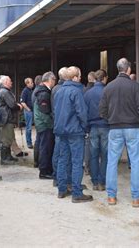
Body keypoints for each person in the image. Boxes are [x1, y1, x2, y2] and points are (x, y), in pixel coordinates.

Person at [99, 58, 139, 208]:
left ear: (118, 69)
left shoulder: (108, 87)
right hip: (133, 127)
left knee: (112, 162)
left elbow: (102, 111)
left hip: (114, 128)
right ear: (128, 70)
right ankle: (136, 197)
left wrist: (112, 119)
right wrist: (137, 121)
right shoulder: (135, 86)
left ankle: (111, 196)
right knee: (135, 162)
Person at [54, 66, 93, 202]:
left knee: (62, 160)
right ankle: (77, 193)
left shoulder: (59, 91)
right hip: (75, 131)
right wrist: (85, 128)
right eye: (80, 75)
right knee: (77, 162)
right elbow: (82, 113)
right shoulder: (76, 91)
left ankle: (62, 190)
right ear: (75, 77)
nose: (81, 78)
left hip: (61, 130)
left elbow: (56, 111)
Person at [84, 69, 109, 191]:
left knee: (93, 155)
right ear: (104, 78)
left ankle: (94, 182)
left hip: (93, 127)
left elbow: (85, 111)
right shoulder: (107, 91)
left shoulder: (88, 93)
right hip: (105, 126)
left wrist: (86, 127)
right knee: (105, 155)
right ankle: (102, 182)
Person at [34, 71, 57, 179]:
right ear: (50, 80)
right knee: (45, 148)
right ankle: (44, 171)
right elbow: (45, 112)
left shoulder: (41, 91)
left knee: (44, 147)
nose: (55, 82)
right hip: (45, 125)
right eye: (54, 80)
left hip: (42, 124)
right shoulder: (44, 93)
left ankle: (45, 169)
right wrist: (51, 124)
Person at [0, 75, 24, 165]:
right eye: (10, 81)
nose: (11, 82)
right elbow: (12, 105)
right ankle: (4, 159)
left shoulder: (3, 91)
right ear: (5, 82)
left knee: (9, 138)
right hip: (6, 119)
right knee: (6, 139)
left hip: (6, 118)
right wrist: (19, 106)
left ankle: (8, 157)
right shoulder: (5, 92)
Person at [32, 74, 43, 168]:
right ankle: (38, 161)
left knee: (38, 141)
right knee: (40, 142)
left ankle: (36, 161)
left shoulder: (35, 91)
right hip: (40, 120)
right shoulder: (39, 92)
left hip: (37, 119)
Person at [20, 77, 35, 149]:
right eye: (31, 82)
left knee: (33, 127)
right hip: (28, 111)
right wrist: (28, 109)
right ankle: (29, 143)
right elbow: (22, 102)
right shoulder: (25, 91)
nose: (33, 84)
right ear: (27, 83)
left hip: (33, 110)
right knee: (29, 128)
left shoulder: (31, 90)